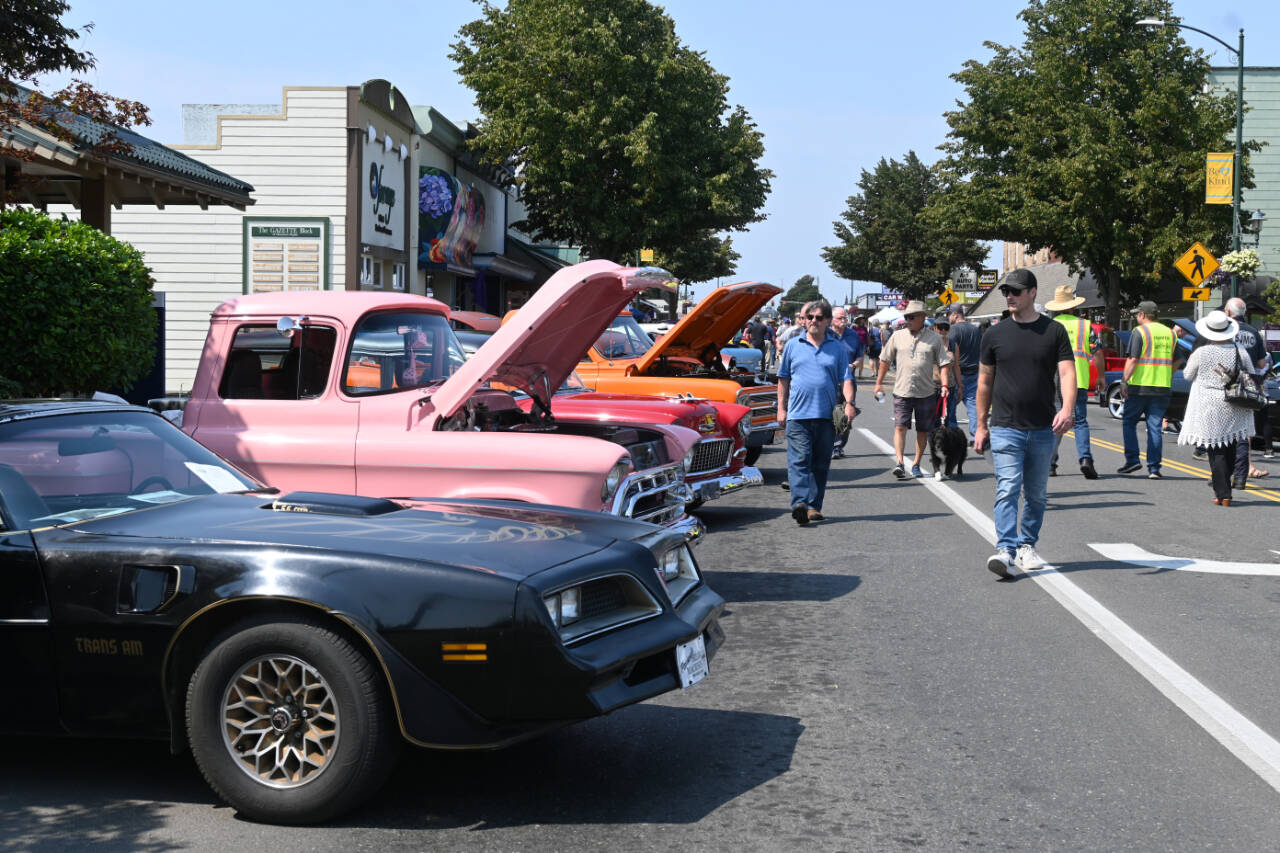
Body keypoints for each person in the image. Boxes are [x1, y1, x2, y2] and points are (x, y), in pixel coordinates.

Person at [974, 269, 1075, 577]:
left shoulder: (1054, 331)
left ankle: (1026, 545)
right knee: (1007, 487)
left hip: (1044, 428)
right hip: (1005, 426)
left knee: (1036, 493)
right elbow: (984, 381)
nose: (1010, 296)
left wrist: (1068, 408)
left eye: (1016, 291)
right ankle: (1005, 549)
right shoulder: (994, 334)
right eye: (1007, 291)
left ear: (1033, 292)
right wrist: (981, 424)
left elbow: (1068, 373)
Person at [777, 300, 856, 525]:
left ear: (828, 321)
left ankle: (814, 506)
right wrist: (781, 408)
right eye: (809, 317)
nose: (813, 321)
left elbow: (847, 378)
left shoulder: (837, 347)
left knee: (820, 464)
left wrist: (849, 403)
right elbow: (783, 379)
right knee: (799, 460)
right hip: (798, 415)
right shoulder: (793, 344)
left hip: (826, 416)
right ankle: (799, 503)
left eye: (818, 318)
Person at [1178, 310, 1255, 505]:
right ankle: (1224, 489)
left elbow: (1187, 375)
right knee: (1230, 445)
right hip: (1235, 401)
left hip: (1209, 403)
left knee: (1215, 449)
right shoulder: (1240, 350)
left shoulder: (1201, 352)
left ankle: (1223, 493)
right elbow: (1251, 373)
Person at [874, 300, 952, 479]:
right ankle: (900, 463)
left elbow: (944, 364)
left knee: (923, 430)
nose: (907, 320)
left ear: (922, 318)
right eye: (906, 317)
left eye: (911, 317)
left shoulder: (934, 339)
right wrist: (879, 383)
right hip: (902, 390)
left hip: (926, 392)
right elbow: (885, 360)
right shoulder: (897, 336)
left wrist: (945, 384)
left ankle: (916, 463)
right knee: (900, 427)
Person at [1044, 283, 1098, 479]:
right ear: (1073, 306)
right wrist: (1099, 376)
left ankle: (1050, 463)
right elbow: (1096, 352)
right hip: (1079, 378)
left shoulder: (1049, 326)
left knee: (1055, 420)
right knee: (1081, 421)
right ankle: (1085, 459)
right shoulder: (1085, 325)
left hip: (1054, 379)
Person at [1119, 300, 1174, 479]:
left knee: (1129, 422)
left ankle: (1133, 459)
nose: (1136, 317)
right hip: (1162, 386)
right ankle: (1154, 468)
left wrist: (1124, 381)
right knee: (1155, 427)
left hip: (1140, 386)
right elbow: (1179, 359)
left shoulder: (1140, 332)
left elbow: (1133, 359)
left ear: (1143, 315)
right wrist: (1165, 373)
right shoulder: (1170, 333)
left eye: (1137, 314)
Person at [1224, 297, 1271, 484]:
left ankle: (1227, 470)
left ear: (1228, 312)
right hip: (1249, 385)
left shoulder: (1226, 330)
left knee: (1226, 427)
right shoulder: (1253, 332)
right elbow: (1261, 362)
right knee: (1245, 428)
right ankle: (1246, 468)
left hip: (1229, 383)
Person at [945, 305, 982, 450]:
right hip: (975, 370)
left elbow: (948, 352)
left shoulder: (953, 331)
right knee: (973, 406)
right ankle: (975, 436)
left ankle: (953, 435)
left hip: (958, 373)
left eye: (949, 315)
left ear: (955, 315)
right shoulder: (975, 329)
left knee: (951, 405)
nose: (949, 318)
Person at [830, 306, 864, 458]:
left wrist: (854, 365)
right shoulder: (826, 335)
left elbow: (860, 355)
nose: (844, 321)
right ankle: (833, 446)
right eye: (840, 318)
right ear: (831, 320)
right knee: (831, 414)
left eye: (845, 318)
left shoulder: (853, 335)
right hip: (829, 382)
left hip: (848, 382)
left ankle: (840, 444)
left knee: (847, 415)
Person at [933, 312, 961, 429]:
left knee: (950, 418)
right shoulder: (930, 344)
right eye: (940, 328)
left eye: (946, 328)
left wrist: (960, 386)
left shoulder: (953, 345)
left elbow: (956, 367)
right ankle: (935, 444)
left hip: (950, 387)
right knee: (934, 418)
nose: (943, 331)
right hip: (932, 387)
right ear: (935, 328)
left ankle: (951, 444)